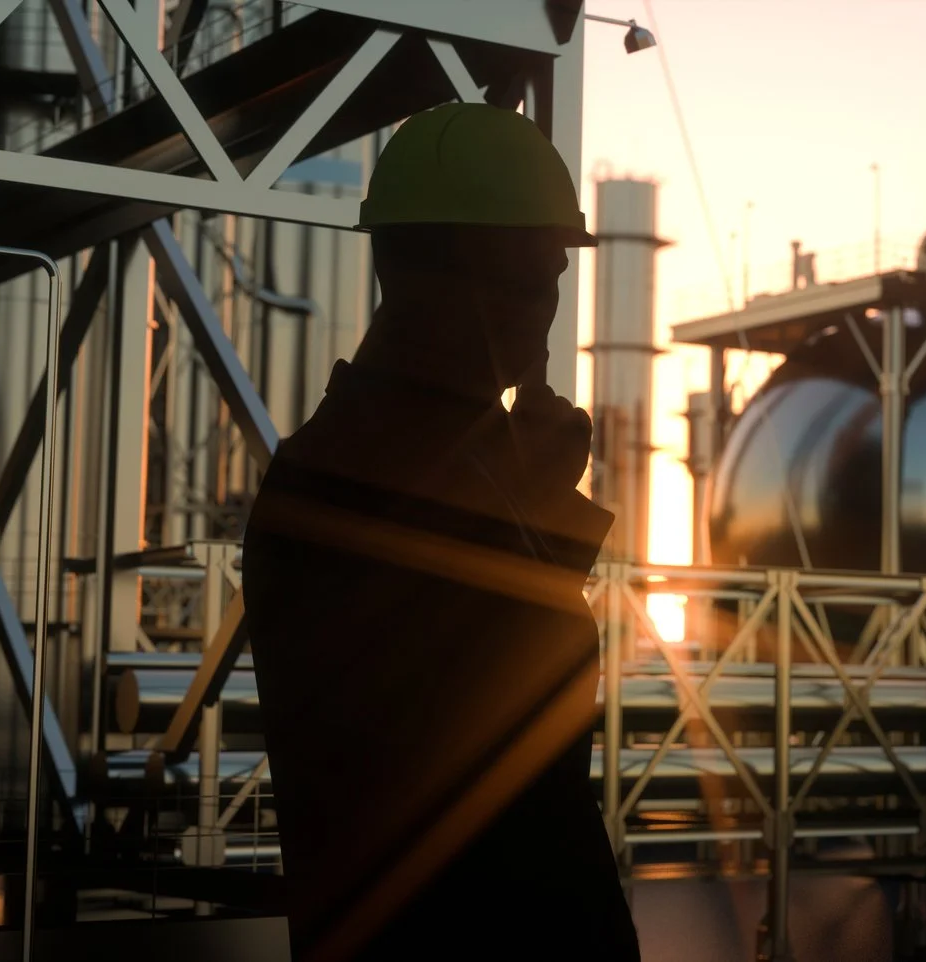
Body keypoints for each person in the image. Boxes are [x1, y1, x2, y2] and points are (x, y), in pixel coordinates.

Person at [241, 103, 641, 962]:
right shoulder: (388, 481)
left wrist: (536, 513)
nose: (551, 307)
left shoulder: (353, 462)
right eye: (540, 275)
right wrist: (532, 516)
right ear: (468, 277)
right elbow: (508, 766)